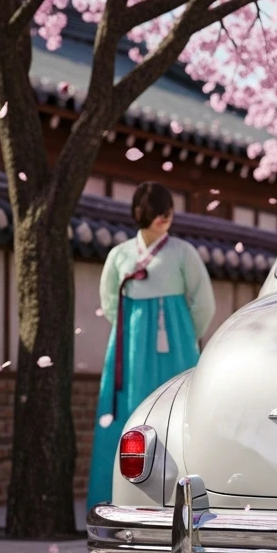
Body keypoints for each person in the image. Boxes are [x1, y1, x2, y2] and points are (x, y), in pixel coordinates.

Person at [87, 182, 216, 508]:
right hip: (130, 349)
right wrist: (130, 333)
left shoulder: (183, 252)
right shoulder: (120, 255)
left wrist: (185, 338)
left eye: (168, 210)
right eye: (158, 210)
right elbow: (108, 301)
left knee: (176, 414)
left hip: (174, 345)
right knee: (128, 414)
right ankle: (117, 497)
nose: (165, 217)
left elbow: (204, 303)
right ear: (141, 213)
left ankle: (182, 499)